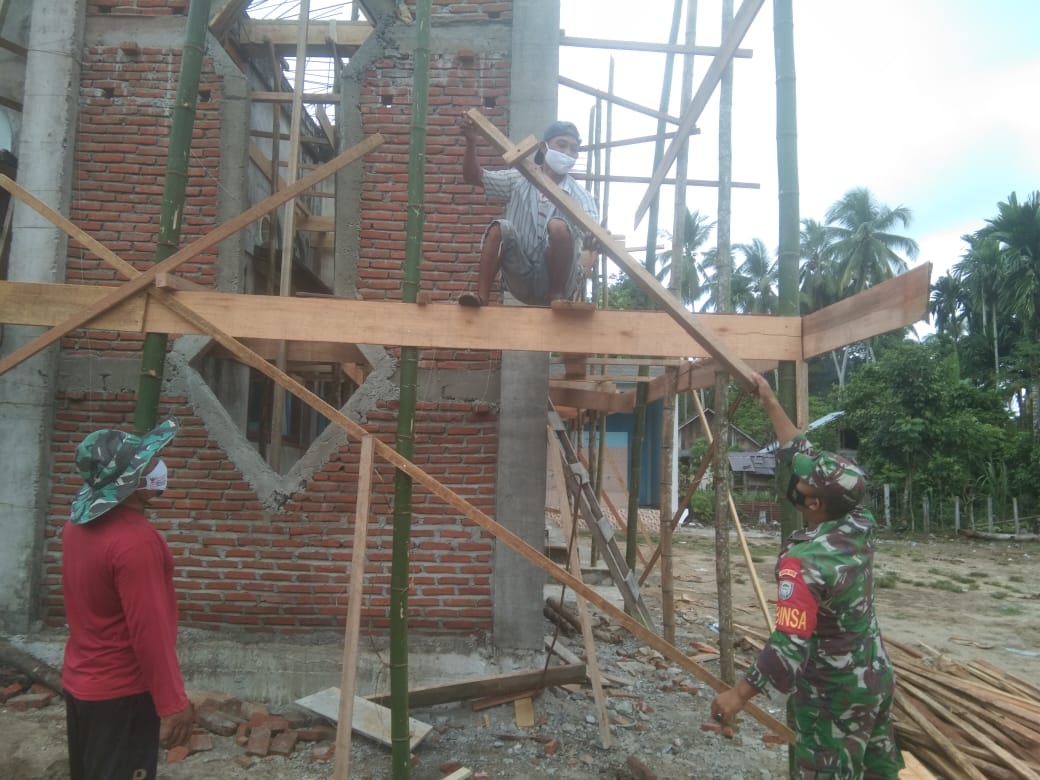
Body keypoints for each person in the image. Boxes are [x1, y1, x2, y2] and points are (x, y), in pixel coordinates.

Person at [711, 373, 903, 779]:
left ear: (812, 501)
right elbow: (801, 449)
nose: (793, 482)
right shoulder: (859, 521)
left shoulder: (805, 563)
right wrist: (768, 399)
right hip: (874, 681)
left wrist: (738, 696)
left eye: (801, 483)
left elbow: (790, 643)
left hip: (832, 698)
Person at [62, 419, 194, 779]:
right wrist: (172, 703)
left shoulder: (75, 527)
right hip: (123, 697)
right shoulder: (136, 542)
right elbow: (149, 632)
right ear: (129, 482)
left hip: (82, 686)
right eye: (149, 463)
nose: (158, 468)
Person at [457, 116, 599, 307]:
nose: (568, 153)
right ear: (543, 147)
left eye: (574, 149)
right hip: (522, 277)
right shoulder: (519, 179)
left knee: (558, 226)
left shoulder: (580, 196)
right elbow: (473, 177)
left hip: (559, 279)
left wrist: (593, 238)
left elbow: (592, 228)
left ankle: (555, 297)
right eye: (562, 145)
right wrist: (471, 142)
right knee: (501, 228)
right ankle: (481, 297)